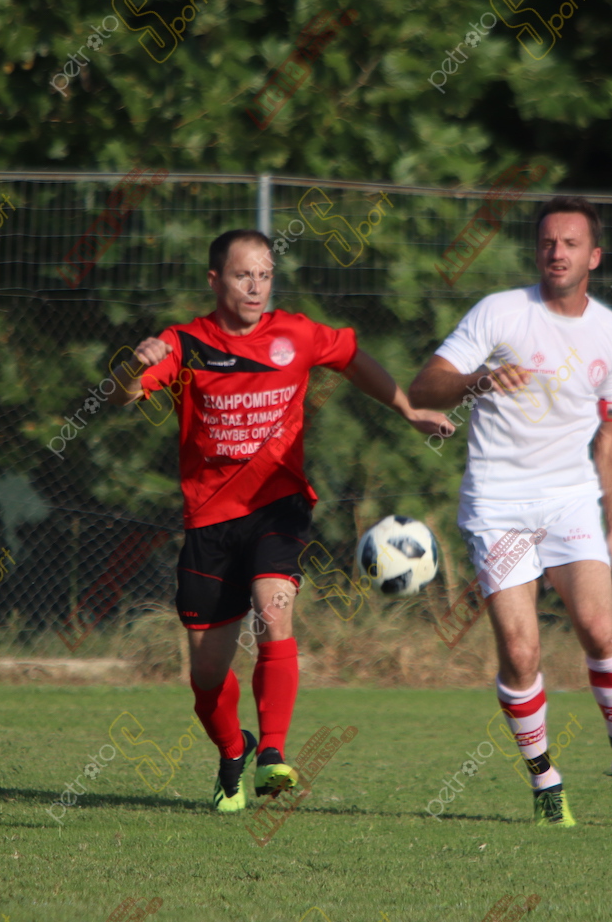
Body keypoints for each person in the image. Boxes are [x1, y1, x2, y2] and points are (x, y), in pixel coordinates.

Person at [106, 228, 451, 813]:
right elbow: (125, 395)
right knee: (206, 676)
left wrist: (408, 409)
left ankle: (272, 753)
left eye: (264, 275)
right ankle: (233, 750)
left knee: (274, 609)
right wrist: (130, 366)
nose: (255, 286)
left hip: (279, 505)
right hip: (209, 522)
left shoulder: (296, 333)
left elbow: (351, 358)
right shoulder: (184, 342)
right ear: (215, 280)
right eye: (243, 274)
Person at [409, 196, 612, 829]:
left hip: (570, 500)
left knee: (599, 628)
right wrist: (478, 381)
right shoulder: (499, 313)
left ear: (594, 257)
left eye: (571, 243)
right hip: (498, 504)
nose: (557, 252)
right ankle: (546, 784)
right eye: (548, 242)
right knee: (521, 652)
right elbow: (424, 387)